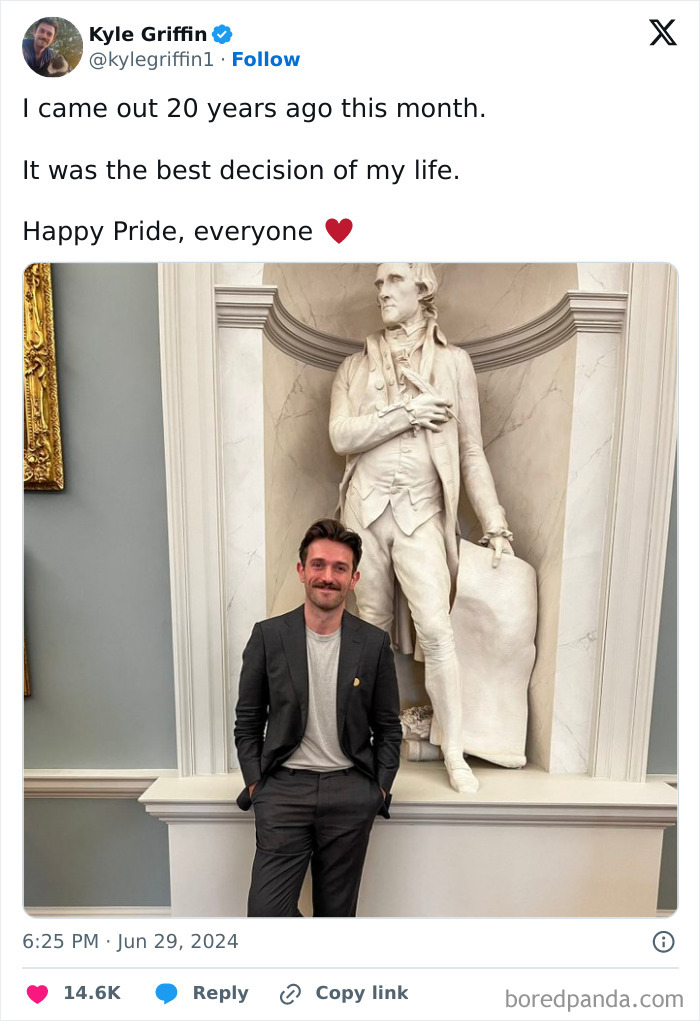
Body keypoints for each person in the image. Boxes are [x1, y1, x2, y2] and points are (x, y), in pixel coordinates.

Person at [330, 263, 513, 794]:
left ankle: (454, 751)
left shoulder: (455, 364)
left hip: (421, 514)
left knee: (437, 629)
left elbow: (471, 448)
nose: (382, 291)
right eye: (379, 283)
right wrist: (407, 412)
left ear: (423, 288)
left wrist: (495, 522)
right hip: (363, 515)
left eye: (393, 281)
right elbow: (342, 435)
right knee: (366, 635)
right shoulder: (352, 367)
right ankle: (358, 745)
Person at [234, 518, 402, 917]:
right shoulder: (268, 636)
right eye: (319, 565)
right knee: (266, 914)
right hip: (284, 791)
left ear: (354, 578)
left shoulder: (374, 644)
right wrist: (258, 784)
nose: (328, 576)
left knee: (336, 918)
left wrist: (377, 790)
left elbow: (389, 728)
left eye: (340, 568)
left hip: (350, 791)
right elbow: (248, 719)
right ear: (301, 570)